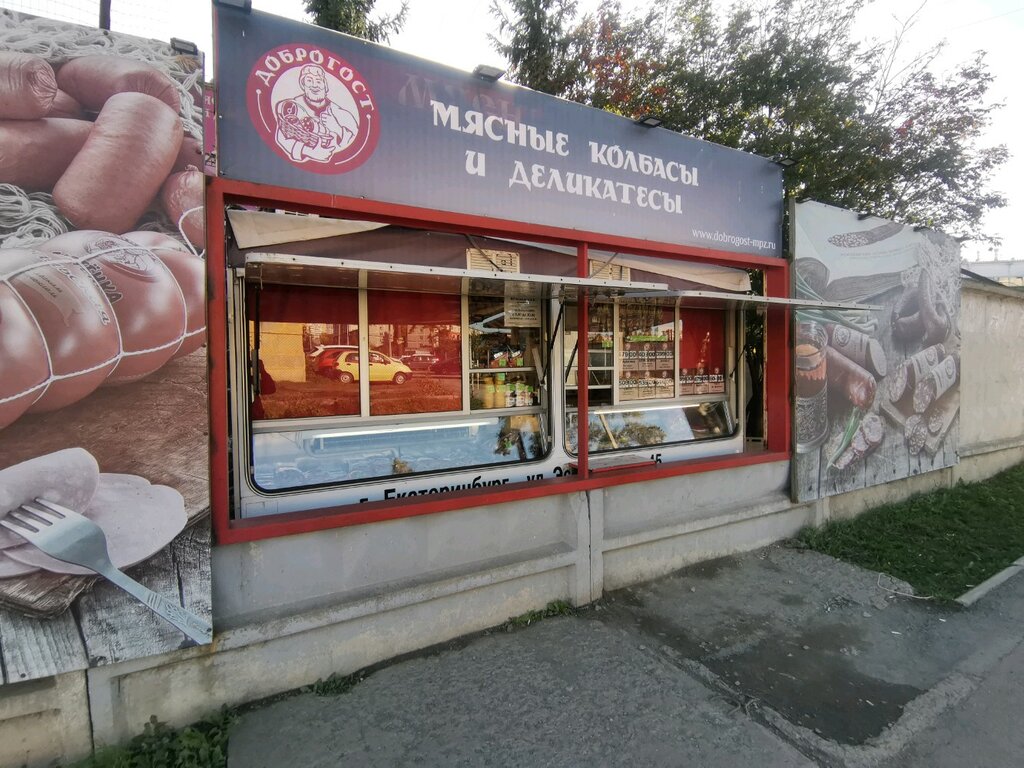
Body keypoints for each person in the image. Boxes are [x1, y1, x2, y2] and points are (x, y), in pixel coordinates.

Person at [274, 64, 359, 163]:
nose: (315, 85)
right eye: (309, 80)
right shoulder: (293, 108)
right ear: (303, 85)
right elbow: (282, 137)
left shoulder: (341, 113)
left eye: (319, 81)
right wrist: (310, 152)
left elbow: (356, 143)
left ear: (325, 86)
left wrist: (337, 128)